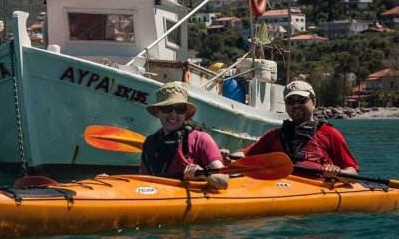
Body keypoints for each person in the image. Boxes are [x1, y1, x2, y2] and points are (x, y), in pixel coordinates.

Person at [222, 80, 359, 184]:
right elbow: (244, 155)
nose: (296, 105)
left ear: (314, 102)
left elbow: (352, 173)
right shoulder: (274, 135)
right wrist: (227, 157)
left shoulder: (330, 134)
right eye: (290, 101)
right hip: (278, 187)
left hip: (315, 187)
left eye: (301, 100)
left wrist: (337, 173)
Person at [140, 81, 229, 190]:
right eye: (167, 108)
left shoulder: (201, 139)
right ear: (158, 112)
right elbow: (141, 181)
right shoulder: (150, 143)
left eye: (180, 109)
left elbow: (223, 181)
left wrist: (202, 173)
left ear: (185, 113)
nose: (173, 114)